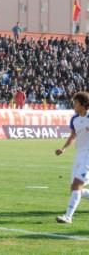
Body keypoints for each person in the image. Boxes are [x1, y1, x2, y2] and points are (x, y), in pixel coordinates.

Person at [55, 92, 89, 223]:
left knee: (77, 186)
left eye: (75, 102)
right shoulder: (74, 119)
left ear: (82, 104)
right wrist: (63, 148)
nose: (73, 104)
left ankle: (68, 216)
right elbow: (73, 136)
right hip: (80, 155)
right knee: (74, 189)